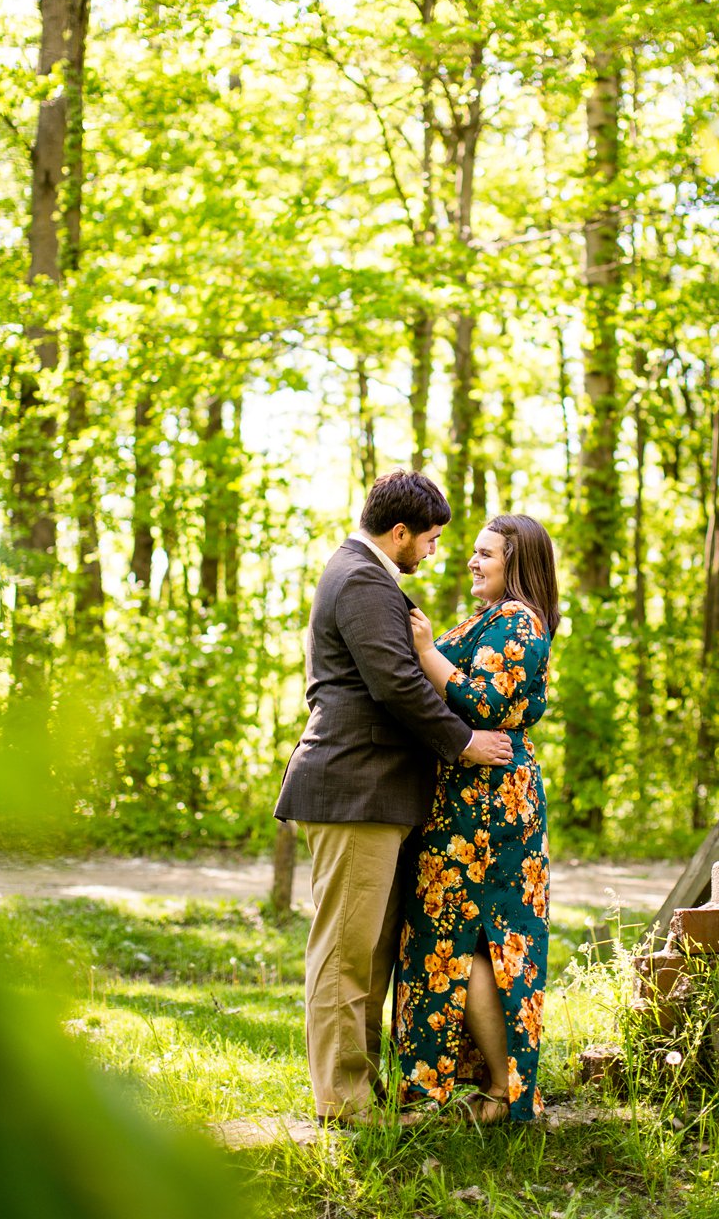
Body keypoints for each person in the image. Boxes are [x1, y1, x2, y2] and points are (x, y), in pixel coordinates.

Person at [273, 471, 512, 1125]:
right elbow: (395, 683)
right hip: (354, 786)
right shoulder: (360, 579)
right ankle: (344, 1103)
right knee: (344, 955)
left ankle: (360, 1090)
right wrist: (464, 741)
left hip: (377, 793)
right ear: (399, 531)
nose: (433, 552)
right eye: (430, 539)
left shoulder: (370, 579)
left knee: (370, 954)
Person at [393, 513, 559, 1123]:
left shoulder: (518, 621)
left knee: (480, 942)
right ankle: (478, 1090)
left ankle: (501, 1092)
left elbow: (484, 701)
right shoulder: (490, 618)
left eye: (486, 553)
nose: (472, 560)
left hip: (491, 808)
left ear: (517, 563)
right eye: (473, 551)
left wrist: (428, 650)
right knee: (458, 941)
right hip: (466, 798)